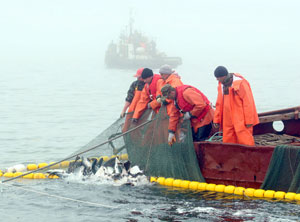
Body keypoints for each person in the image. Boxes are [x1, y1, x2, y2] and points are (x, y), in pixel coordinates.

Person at [213, 66, 259, 146]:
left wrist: (249, 121)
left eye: (218, 78)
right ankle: (231, 157)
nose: (217, 80)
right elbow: (219, 103)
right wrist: (216, 119)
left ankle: (248, 156)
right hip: (227, 118)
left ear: (223, 76)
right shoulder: (221, 85)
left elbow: (248, 102)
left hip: (240, 118)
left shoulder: (240, 83)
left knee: (245, 140)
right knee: (228, 140)